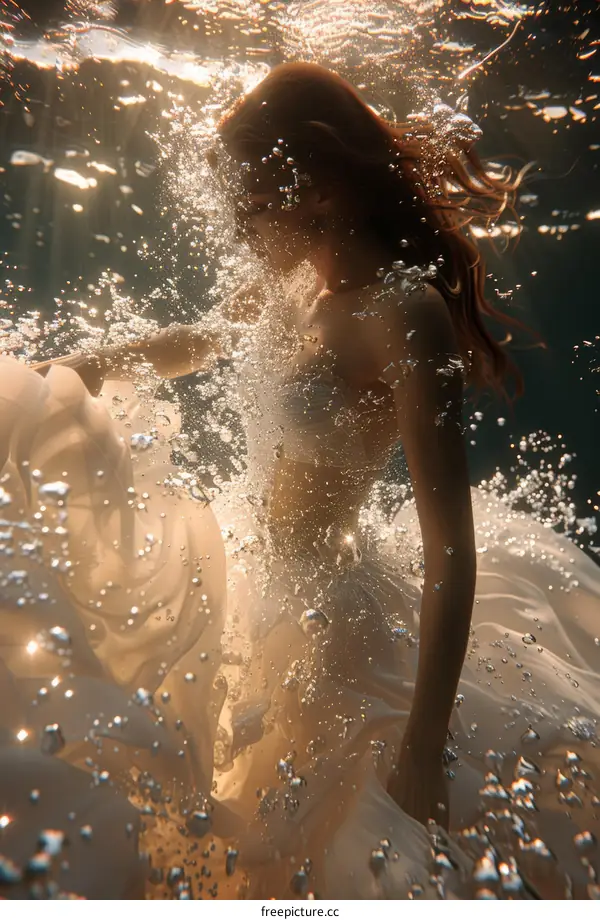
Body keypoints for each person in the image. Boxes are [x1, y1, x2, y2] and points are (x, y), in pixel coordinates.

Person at [2, 62, 599, 899]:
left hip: (334, 624)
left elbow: (449, 548)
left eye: (249, 207)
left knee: (318, 855)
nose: (241, 231)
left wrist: (425, 743)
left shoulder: (405, 313)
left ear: (314, 188)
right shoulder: (292, 285)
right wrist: (75, 369)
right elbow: (203, 339)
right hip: (250, 580)